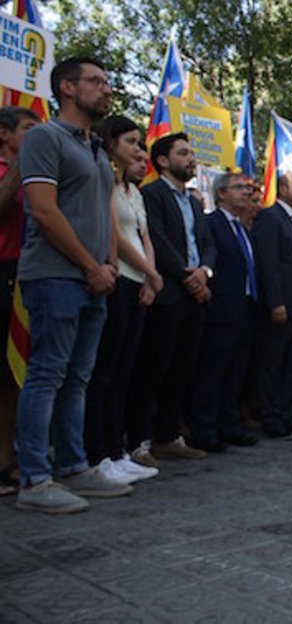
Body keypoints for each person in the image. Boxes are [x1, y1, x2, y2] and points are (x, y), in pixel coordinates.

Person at [15, 57, 132, 513]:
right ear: (66, 88)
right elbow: (44, 212)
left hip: (95, 280)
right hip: (55, 275)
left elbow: (105, 216)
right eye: (95, 82)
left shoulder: (97, 149)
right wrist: (89, 265)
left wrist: (108, 267)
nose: (105, 90)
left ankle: (73, 465)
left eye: (107, 82)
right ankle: (35, 478)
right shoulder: (45, 137)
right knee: (47, 374)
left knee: (78, 378)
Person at [126, 133, 217, 465]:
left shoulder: (195, 202)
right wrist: (186, 275)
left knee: (182, 368)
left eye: (192, 152)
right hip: (168, 293)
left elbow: (207, 242)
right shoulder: (151, 194)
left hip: (196, 296)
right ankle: (138, 439)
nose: (191, 158)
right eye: (183, 153)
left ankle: (169, 435)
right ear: (163, 160)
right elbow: (159, 242)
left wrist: (204, 273)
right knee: (153, 367)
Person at [83, 116, 162, 484]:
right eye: (131, 142)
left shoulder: (135, 192)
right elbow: (117, 235)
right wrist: (149, 271)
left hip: (140, 283)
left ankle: (117, 450)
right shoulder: (106, 186)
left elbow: (144, 235)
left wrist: (150, 276)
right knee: (105, 370)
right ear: (111, 143)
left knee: (124, 372)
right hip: (119, 282)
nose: (138, 150)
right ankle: (96, 452)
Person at [188, 173, 260, 452]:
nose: (246, 192)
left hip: (244, 309)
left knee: (235, 372)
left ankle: (230, 425)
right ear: (221, 194)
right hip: (220, 309)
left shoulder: (242, 229)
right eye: (239, 188)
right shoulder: (212, 224)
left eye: (248, 188)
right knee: (212, 372)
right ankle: (204, 429)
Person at [251, 171, 292, 437]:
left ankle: (291, 414)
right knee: (274, 362)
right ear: (282, 188)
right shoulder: (270, 218)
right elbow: (268, 264)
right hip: (284, 305)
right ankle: (271, 416)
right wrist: (275, 301)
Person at [0, 106, 38, 495]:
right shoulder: (12, 172)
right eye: (28, 129)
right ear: (4, 134)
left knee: (12, 376)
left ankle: (9, 460)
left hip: (26, 276)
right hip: (2, 270)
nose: (36, 136)